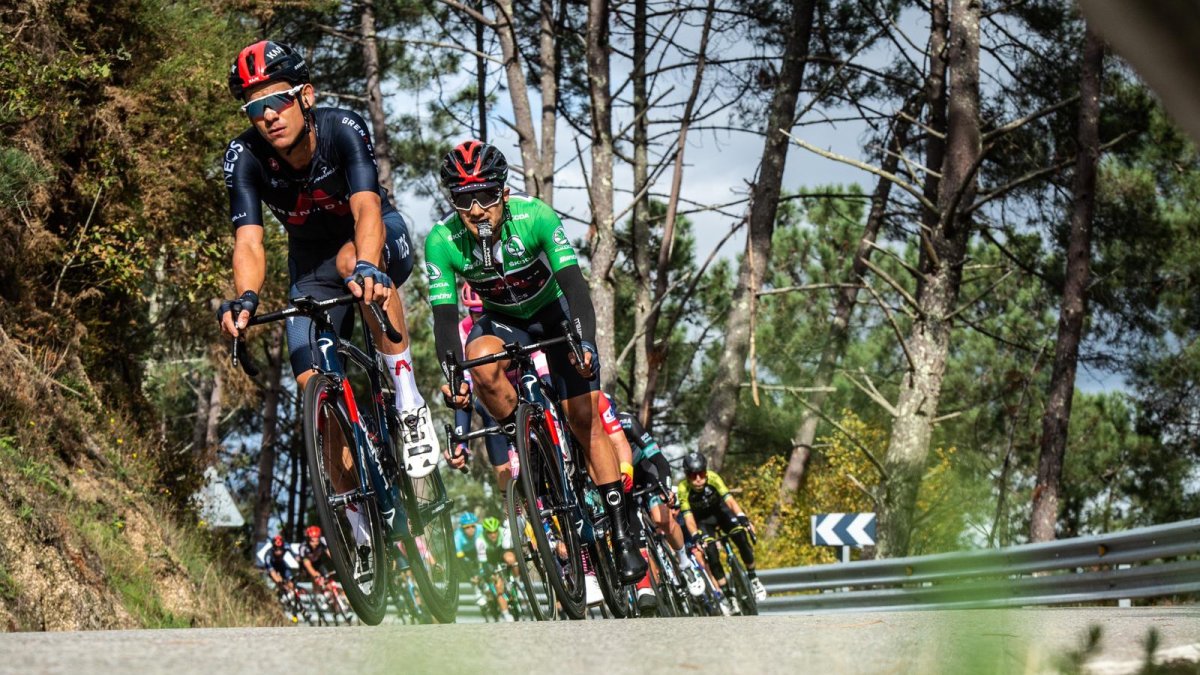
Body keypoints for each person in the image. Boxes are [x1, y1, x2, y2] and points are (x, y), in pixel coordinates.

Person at [217, 41, 440, 507]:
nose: (268, 116)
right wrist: (246, 298)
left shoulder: (343, 129)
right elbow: (249, 241)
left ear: (306, 96)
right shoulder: (244, 155)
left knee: (352, 264)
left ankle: (408, 401)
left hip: (374, 234)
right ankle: (360, 525)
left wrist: (365, 262)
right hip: (310, 266)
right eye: (255, 107)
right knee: (311, 389)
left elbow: (366, 208)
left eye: (278, 99)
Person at [427, 140, 646, 583]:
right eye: (463, 199)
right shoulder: (442, 240)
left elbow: (577, 289)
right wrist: (454, 379)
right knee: (477, 359)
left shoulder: (535, 216)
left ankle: (621, 530)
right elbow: (447, 320)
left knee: (583, 418)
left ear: (503, 193)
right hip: (505, 321)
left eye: (486, 195)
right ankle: (528, 440)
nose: (476, 209)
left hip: (555, 316)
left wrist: (583, 344)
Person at [452, 282, 550, 492]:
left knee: (546, 391)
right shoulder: (465, 329)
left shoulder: (512, 313)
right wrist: (461, 441)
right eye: (475, 314)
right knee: (484, 406)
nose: (481, 318)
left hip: (527, 369)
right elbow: (466, 384)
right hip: (500, 382)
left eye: (483, 311)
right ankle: (512, 499)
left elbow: (539, 356)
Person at [677, 451, 768, 602]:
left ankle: (753, 578)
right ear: (687, 475)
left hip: (721, 513)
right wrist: (695, 536)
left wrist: (742, 517)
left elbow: (729, 500)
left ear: (706, 472)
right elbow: (688, 517)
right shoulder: (683, 488)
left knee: (741, 536)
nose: (698, 479)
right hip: (703, 522)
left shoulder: (713, 478)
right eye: (693, 475)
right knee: (711, 553)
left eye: (701, 473)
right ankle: (728, 595)